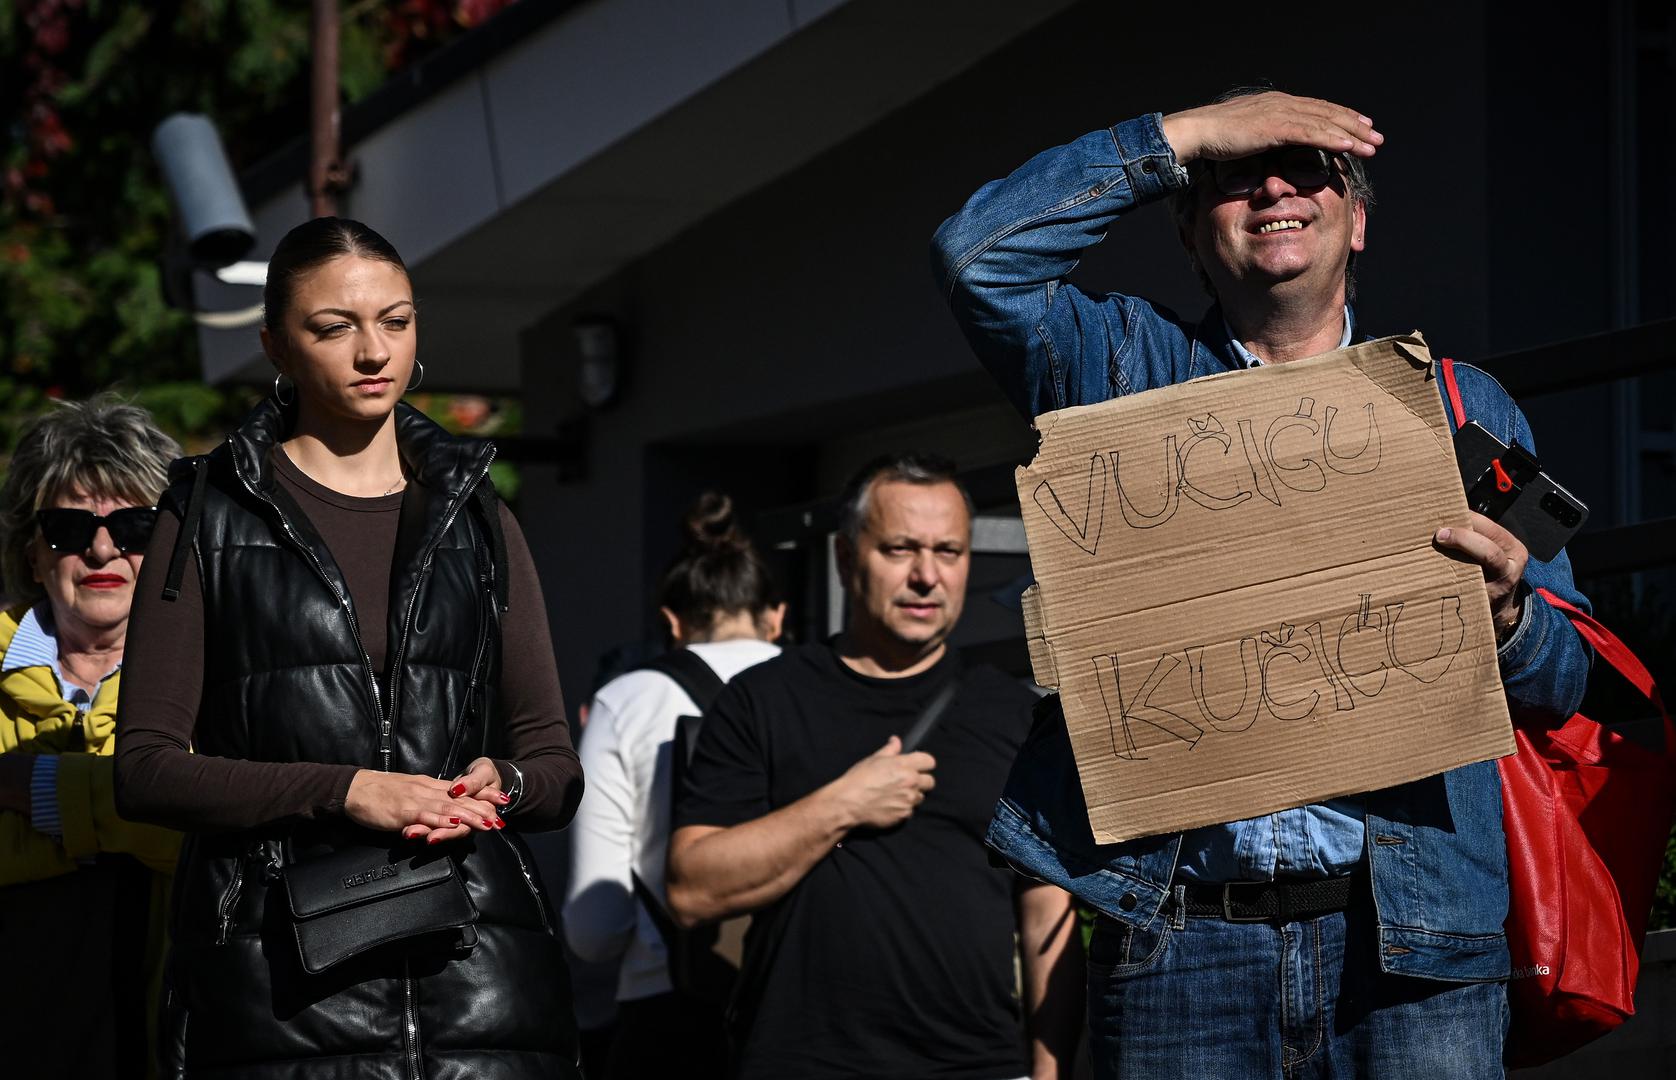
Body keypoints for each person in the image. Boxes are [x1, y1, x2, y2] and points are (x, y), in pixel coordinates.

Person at [931, 89, 1593, 1077]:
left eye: (1306, 175)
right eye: (1234, 179)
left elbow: (1565, 678)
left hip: (1410, 957)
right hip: (1178, 949)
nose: (1271, 189)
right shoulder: (1120, 369)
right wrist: (1180, 137)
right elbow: (974, 259)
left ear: (1357, 221)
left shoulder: (1459, 405)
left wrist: (1505, 616)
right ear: (1192, 238)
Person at [114, 217, 586, 1078]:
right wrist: (346, 792)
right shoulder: (206, 514)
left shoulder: (479, 514)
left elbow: (554, 760)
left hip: (481, 988)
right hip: (280, 995)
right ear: (276, 347)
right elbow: (145, 768)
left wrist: (506, 782)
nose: (374, 351)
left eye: (396, 322)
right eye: (334, 327)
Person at [666, 454, 1082, 1080]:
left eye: (949, 551)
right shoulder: (763, 701)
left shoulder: (1014, 717)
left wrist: (1048, 1073)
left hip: (975, 1066)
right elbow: (692, 888)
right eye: (899, 549)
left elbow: (1047, 910)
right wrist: (843, 804)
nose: (926, 576)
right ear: (844, 557)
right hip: (799, 1062)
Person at [565, 490, 785, 1078]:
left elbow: (595, 927)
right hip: (807, 1013)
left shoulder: (626, 701)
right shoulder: (819, 692)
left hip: (669, 1012)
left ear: (671, 622)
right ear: (777, 615)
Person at [0, 394, 183, 1077]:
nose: (102, 548)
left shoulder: (217, 683)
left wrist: (32, 792)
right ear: (33, 551)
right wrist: (129, 818)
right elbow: (171, 817)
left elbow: (216, 838)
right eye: (67, 529)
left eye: (135, 526)